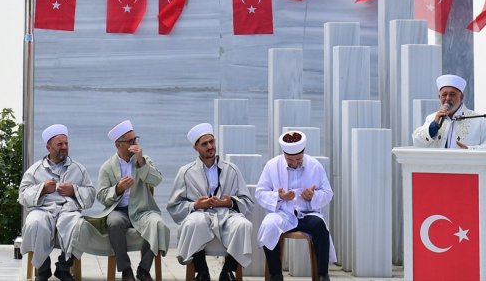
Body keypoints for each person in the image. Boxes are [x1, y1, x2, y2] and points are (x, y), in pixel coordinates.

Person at [167, 123, 254, 281]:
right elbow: (174, 206)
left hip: (227, 215)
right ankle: (202, 271)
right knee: (195, 222)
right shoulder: (185, 172)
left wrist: (229, 202)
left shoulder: (231, 169)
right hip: (200, 214)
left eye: (212, 142)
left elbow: (247, 202)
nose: (210, 147)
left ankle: (228, 271)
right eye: (204, 144)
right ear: (196, 148)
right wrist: (196, 205)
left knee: (244, 225)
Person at [87, 120, 169, 281]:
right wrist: (118, 188)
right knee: (114, 223)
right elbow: (102, 196)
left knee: (158, 223)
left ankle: (143, 269)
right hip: (119, 211)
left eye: (135, 139)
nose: (134, 143)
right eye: (130, 141)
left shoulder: (144, 160)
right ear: (118, 145)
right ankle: (126, 270)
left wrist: (141, 162)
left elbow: (157, 180)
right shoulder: (107, 167)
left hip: (142, 210)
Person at [19, 124, 96, 281]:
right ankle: (43, 268)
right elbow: (22, 195)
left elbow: (91, 194)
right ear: (49, 147)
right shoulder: (34, 170)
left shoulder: (78, 169)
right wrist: (42, 189)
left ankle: (64, 267)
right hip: (43, 210)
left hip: (68, 211)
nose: (64, 147)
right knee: (34, 223)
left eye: (66, 143)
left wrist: (74, 190)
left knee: (80, 226)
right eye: (59, 144)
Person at [255, 131, 335, 281]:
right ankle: (276, 274)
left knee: (319, 226)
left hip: (307, 213)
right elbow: (260, 193)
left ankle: (323, 274)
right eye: (289, 160)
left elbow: (328, 193)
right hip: (283, 213)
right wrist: (279, 196)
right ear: (284, 155)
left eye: (298, 159)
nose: (294, 163)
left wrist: (313, 196)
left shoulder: (314, 165)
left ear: (303, 153)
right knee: (268, 225)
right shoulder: (272, 165)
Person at [412, 74, 486, 149]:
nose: (447, 98)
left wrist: (470, 150)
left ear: (461, 97)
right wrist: (434, 126)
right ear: (439, 97)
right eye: (444, 95)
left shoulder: (479, 120)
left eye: (452, 94)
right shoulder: (432, 118)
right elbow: (417, 142)